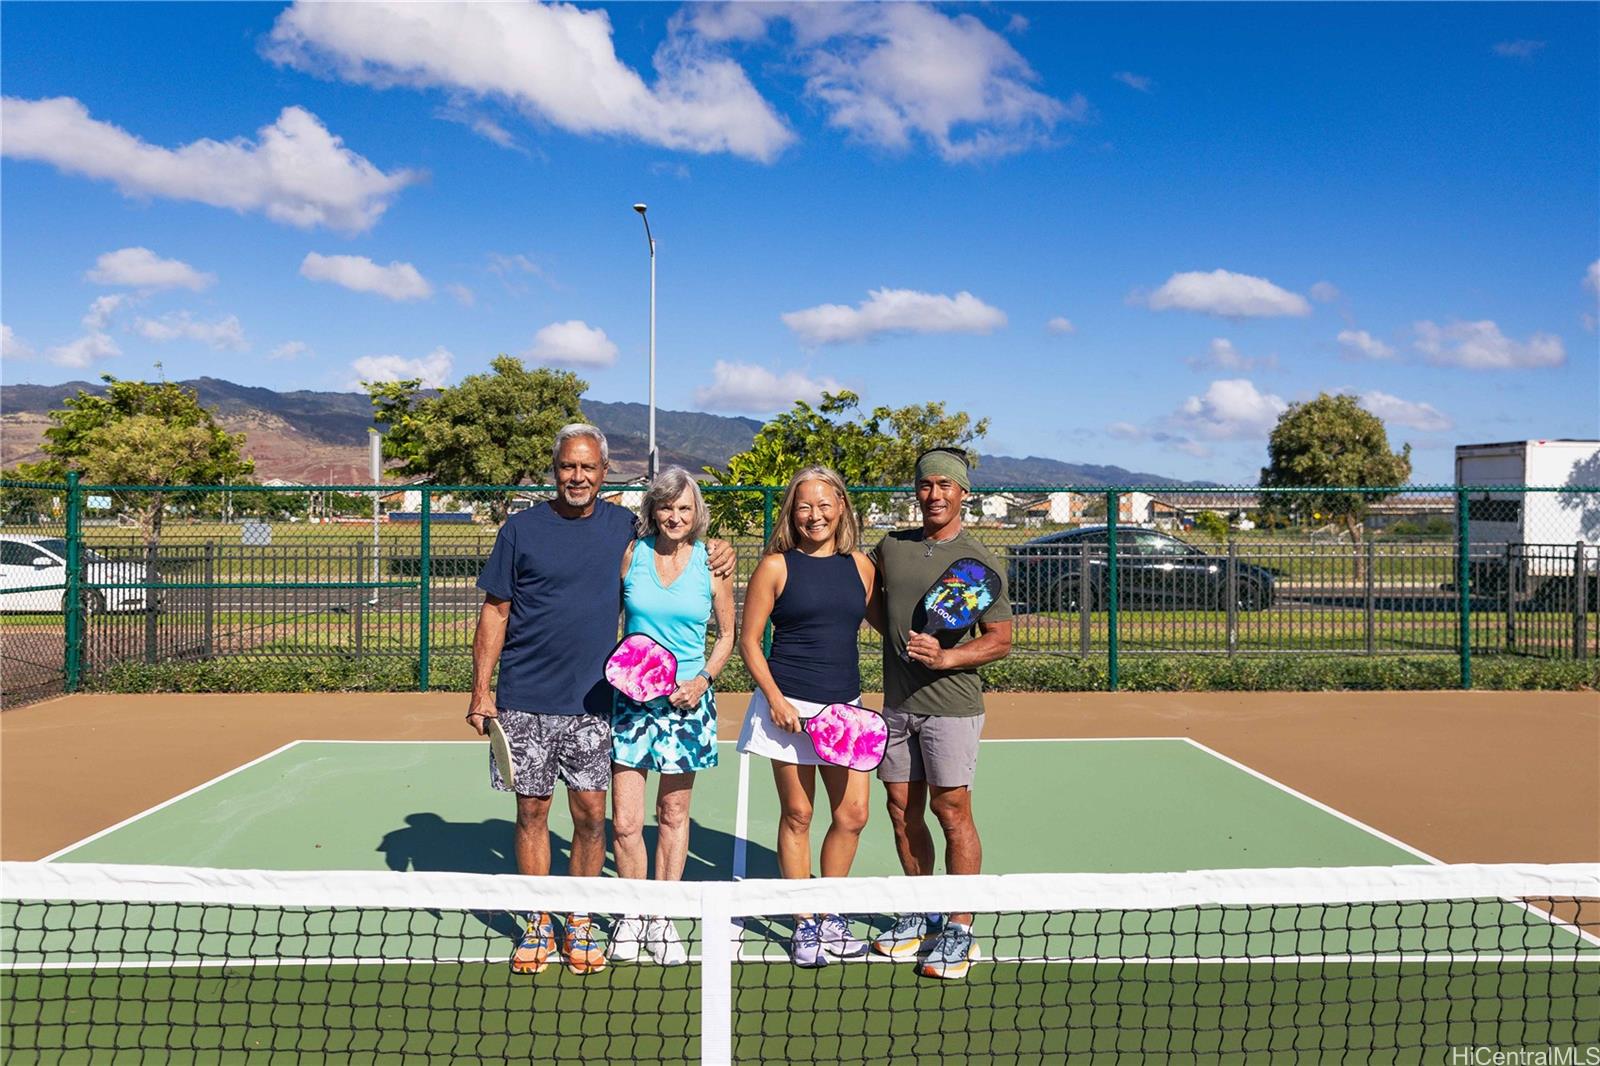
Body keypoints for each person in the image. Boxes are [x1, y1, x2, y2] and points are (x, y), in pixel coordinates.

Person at [467, 425, 734, 976]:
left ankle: (582, 919)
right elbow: (495, 611)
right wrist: (480, 691)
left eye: (588, 467)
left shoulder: (625, 531)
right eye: (568, 466)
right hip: (524, 699)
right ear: (555, 470)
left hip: (595, 704)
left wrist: (720, 549)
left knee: (592, 816)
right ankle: (539, 922)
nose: (578, 476)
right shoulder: (520, 530)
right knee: (531, 811)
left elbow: (677, 533)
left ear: (604, 472)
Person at [868, 447, 1012, 980]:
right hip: (897, 706)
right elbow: (866, 593)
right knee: (901, 810)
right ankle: (922, 909)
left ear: (963, 493)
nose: (934, 494)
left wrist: (947, 657)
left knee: (951, 812)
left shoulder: (979, 560)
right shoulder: (892, 547)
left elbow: (1000, 640)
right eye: (926, 484)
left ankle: (959, 927)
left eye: (945, 485)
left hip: (951, 708)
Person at [737, 466, 877, 967]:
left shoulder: (861, 566)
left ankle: (830, 912)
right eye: (804, 507)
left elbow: (883, 623)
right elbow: (749, 642)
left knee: (853, 814)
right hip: (789, 707)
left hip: (845, 712)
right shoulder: (775, 566)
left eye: (823, 505)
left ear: (841, 507)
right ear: (791, 513)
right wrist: (775, 698)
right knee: (798, 814)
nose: (814, 516)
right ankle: (804, 922)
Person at [607, 467, 735, 966]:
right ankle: (631, 914)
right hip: (631, 702)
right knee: (626, 822)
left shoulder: (712, 563)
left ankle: (661, 917)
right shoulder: (631, 555)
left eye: (684, 508)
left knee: (673, 815)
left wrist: (701, 680)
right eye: (666, 507)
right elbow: (609, 619)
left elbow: (727, 635)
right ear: (653, 510)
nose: (675, 516)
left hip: (689, 705)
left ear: (696, 512)